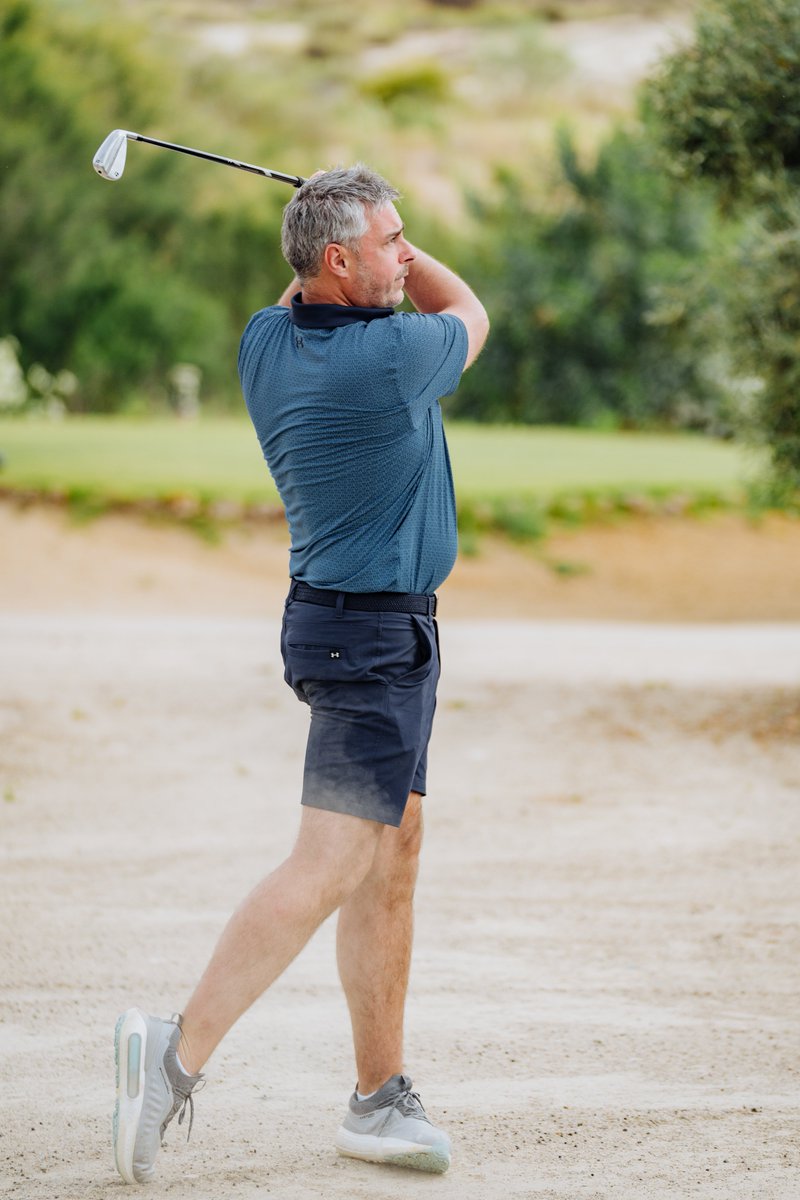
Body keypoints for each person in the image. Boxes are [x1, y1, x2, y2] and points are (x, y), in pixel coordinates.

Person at [112, 165, 489, 1185]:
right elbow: (469, 310)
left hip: (343, 627)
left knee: (391, 849)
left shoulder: (264, 342)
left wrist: (346, 226)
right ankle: (174, 1054)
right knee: (328, 862)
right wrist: (403, 258)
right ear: (336, 261)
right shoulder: (395, 355)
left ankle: (377, 1095)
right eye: (390, 240)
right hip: (372, 641)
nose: (404, 253)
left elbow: (299, 292)